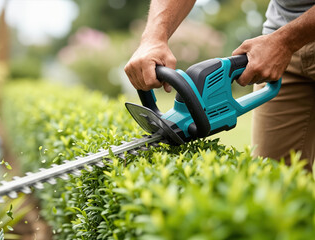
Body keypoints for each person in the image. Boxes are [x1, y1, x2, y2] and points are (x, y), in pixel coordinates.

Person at [124, 0, 315, 171]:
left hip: (283, 40)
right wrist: (153, 38)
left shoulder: (283, 42)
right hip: (278, 39)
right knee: (275, 177)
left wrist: (286, 41)